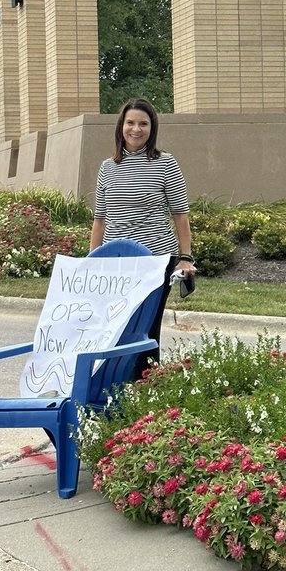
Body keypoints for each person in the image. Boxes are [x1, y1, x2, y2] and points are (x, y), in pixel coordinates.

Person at [89, 98, 195, 371]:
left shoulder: (165, 163)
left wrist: (185, 258)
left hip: (156, 260)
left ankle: (147, 385)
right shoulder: (107, 168)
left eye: (143, 124)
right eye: (131, 123)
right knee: (117, 327)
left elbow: (180, 215)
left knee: (146, 329)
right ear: (121, 126)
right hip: (117, 263)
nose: (136, 129)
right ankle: (117, 385)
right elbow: (99, 220)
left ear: (152, 128)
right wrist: (92, 261)